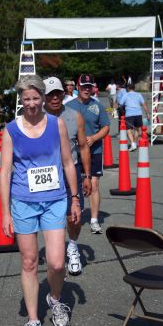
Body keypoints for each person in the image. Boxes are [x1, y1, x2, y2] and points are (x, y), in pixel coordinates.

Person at [0, 74, 81, 326]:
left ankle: (55, 300)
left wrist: (75, 199)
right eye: (27, 100)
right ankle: (33, 320)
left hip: (55, 200)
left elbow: (69, 163)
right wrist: (6, 212)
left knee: (57, 262)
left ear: (43, 98)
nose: (32, 104)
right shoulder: (11, 130)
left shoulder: (56, 125)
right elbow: (6, 172)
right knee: (29, 261)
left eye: (36, 98)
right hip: (23, 202)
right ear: (20, 101)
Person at [43, 76, 92, 275]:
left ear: (64, 94)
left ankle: (72, 246)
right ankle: (55, 252)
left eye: (57, 94)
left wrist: (87, 175)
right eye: (50, 94)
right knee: (49, 217)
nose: (54, 98)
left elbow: (83, 147)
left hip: (70, 171)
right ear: (43, 97)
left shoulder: (75, 116)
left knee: (74, 216)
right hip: (45, 174)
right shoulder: (36, 116)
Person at [67, 74, 110, 234]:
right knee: (73, 184)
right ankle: (71, 215)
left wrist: (93, 138)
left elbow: (106, 127)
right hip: (73, 152)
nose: (86, 89)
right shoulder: (68, 106)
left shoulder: (97, 106)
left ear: (93, 88)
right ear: (78, 87)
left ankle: (94, 220)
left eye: (89, 86)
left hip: (95, 151)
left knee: (94, 185)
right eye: (84, 86)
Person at [120, 83, 150, 151]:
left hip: (129, 114)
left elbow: (120, 104)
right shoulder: (139, 94)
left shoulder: (126, 95)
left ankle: (133, 143)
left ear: (128, 88)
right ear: (134, 88)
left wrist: (121, 110)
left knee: (128, 130)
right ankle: (134, 144)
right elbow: (144, 104)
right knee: (136, 129)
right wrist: (147, 113)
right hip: (138, 113)